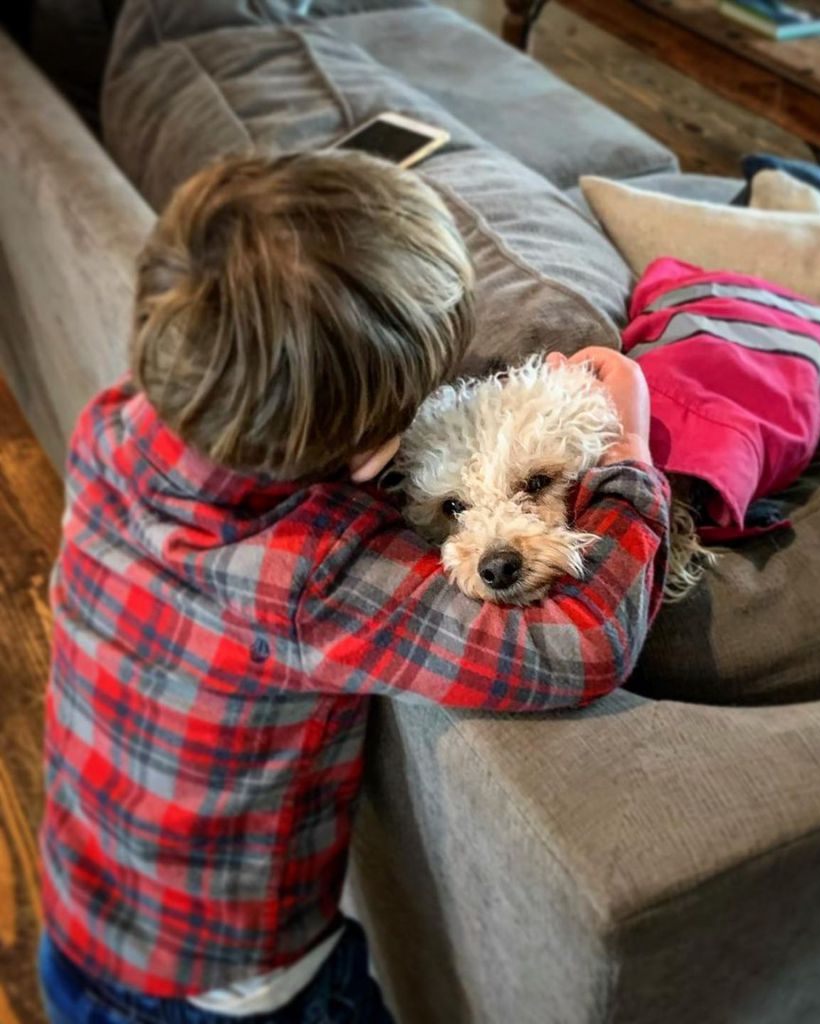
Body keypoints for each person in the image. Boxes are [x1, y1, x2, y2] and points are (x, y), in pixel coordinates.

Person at [38, 150, 669, 1024]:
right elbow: (580, 645)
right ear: (378, 456)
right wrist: (627, 448)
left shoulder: (117, 422)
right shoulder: (310, 573)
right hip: (234, 991)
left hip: (79, 914)